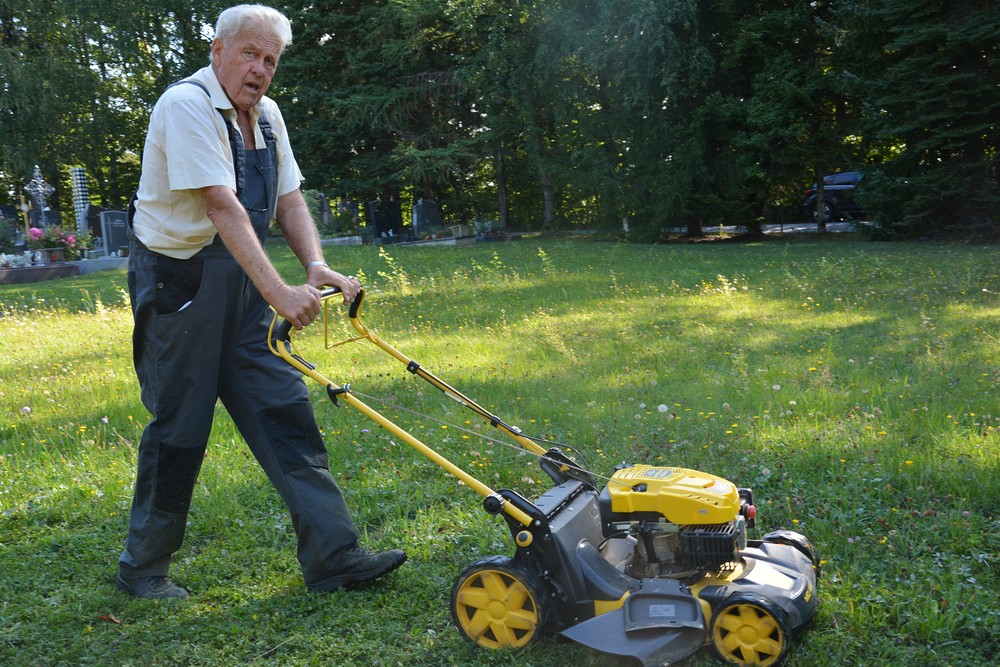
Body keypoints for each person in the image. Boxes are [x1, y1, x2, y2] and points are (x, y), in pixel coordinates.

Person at [117, 4, 406, 599]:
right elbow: (221, 204)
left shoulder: (268, 117)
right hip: (179, 287)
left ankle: (333, 556)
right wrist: (279, 291)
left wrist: (314, 266)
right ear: (218, 50)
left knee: (283, 408)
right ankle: (143, 569)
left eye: (270, 60)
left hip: (244, 283)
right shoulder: (185, 105)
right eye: (250, 53)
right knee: (180, 428)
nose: (260, 69)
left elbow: (290, 199)